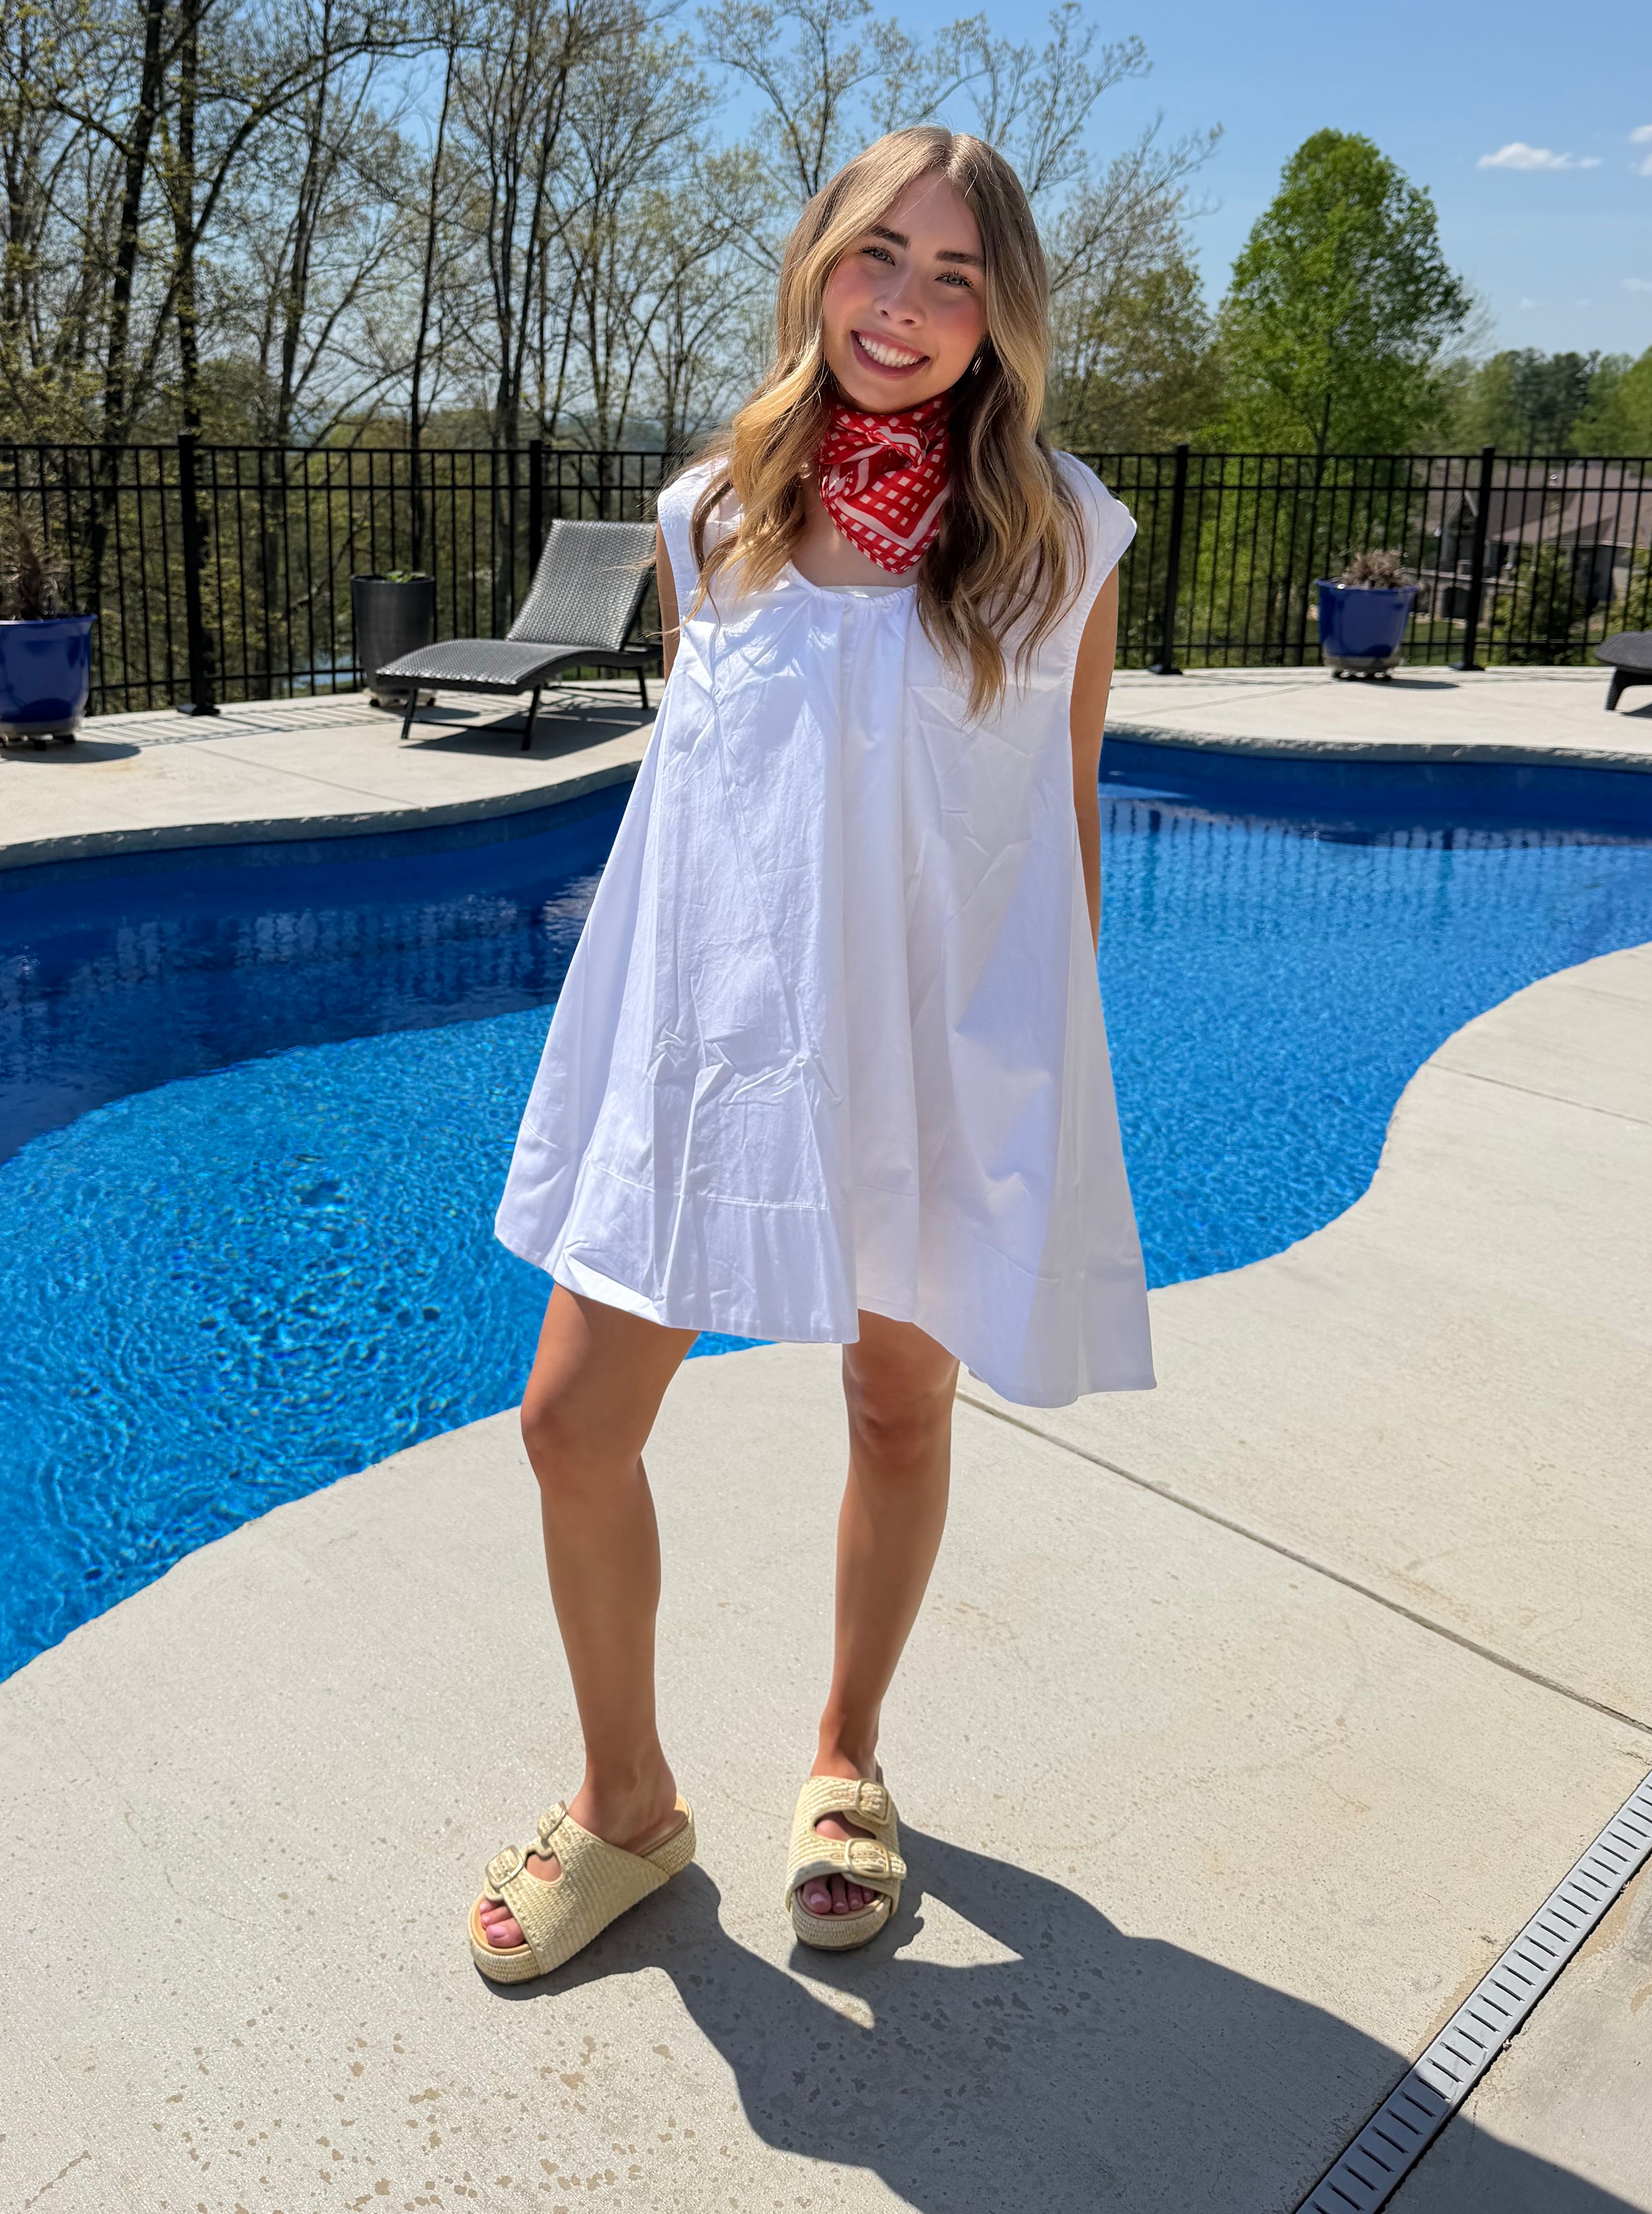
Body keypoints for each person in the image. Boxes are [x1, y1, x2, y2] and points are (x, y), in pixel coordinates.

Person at [470, 126, 1151, 1983]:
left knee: (895, 1405)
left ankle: (847, 1758)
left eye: (954, 275)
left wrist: (1040, 1096)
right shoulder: (715, 515)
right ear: (816, 268)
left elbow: (1064, 822)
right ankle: (629, 1801)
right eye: (878, 258)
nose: (908, 309)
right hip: (728, 1050)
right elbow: (707, 822)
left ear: (1002, 312)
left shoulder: (1065, 535)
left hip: (940, 1053)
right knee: (571, 1422)